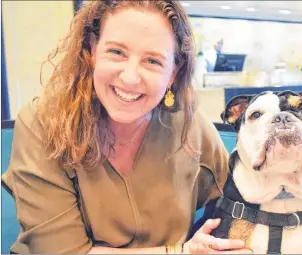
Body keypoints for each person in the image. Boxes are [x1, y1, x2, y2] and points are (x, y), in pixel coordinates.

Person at [1, 1, 251, 254]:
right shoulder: (41, 124)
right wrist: (181, 251)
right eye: (117, 52)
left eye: (152, 60)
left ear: (173, 73)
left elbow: (242, 192)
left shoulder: (190, 125)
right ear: (93, 49)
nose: (130, 78)